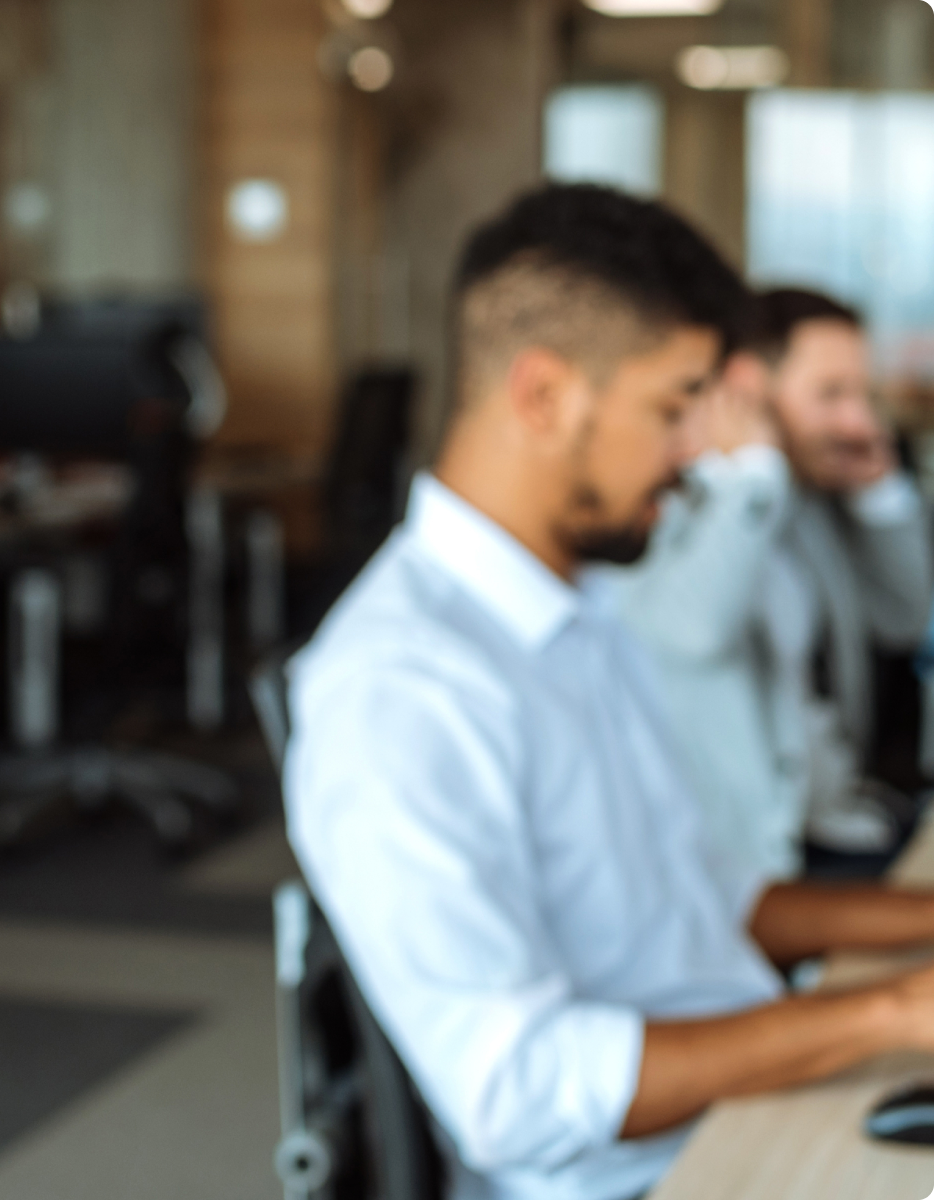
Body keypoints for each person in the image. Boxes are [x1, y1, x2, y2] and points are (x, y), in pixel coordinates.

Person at [285, 184, 934, 1200]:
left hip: (734, 1105)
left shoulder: (579, 611)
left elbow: (709, 902)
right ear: (543, 395)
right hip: (641, 1176)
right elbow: (515, 1091)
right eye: (677, 408)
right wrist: (892, 1014)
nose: (700, 454)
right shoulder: (400, 687)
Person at [608, 288, 933, 878]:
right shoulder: (678, 501)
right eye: (832, 395)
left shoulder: (811, 500)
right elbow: (693, 631)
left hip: (847, 821)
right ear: (747, 387)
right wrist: (754, 473)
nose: (859, 422)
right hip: (751, 868)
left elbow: (907, 616)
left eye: (865, 395)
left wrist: (880, 493)